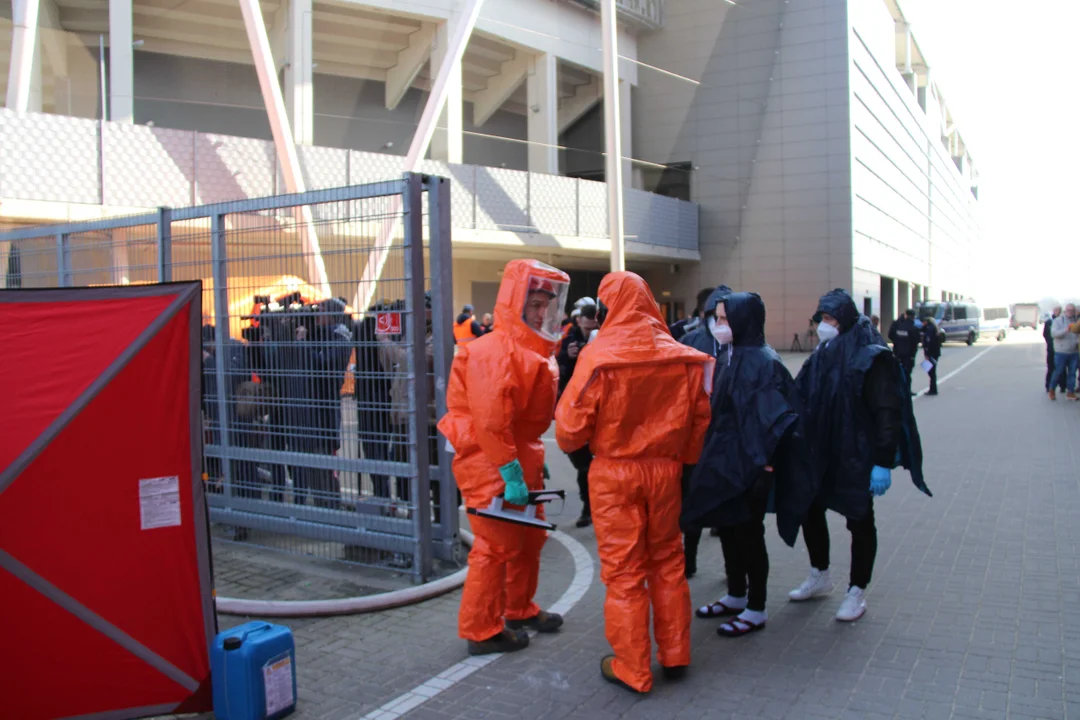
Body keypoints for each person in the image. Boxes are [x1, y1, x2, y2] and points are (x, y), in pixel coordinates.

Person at [556, 272, 712, 694]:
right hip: (665, 471)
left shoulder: (598, 356)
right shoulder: (681, 355)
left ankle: (632, 666)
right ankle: (675, 652)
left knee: (625, 573)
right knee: (668, 562)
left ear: (608, 308)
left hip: (615, 473)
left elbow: (569, 429)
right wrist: (683, 459)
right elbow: (700, 418)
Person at [437, 259, 570, 656]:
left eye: (546, 305)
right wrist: (510, 470)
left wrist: (525, 462)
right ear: (516, 303)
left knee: (529, 538)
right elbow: (491, 422)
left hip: (519, 453)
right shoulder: (493, 351)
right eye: (534, 305)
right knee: (493, 548)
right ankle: (481, 631)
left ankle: (518, 609)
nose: (542, 313)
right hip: (488, 458)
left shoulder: (530, 349)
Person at [789, 289, 930, 622]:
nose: (824, 325)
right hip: (821, 452)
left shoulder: (871, 357)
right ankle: (819, 573)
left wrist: (882, 461)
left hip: (856, 455)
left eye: (830, 319)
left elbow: (887, 411)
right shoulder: (823, 353)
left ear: (846, 319)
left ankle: (857, 591)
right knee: (810, 509)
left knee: (859, 519)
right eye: (821, 318)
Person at [682, 292, 816, 637]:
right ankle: (736, 595)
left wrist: (766, 468)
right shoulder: (733, 354)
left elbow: (777, 420)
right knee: (728, 530)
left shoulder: (761, 361)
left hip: (750, 469)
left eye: (725, 318)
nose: (719, 324)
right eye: (718, 317)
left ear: (743, 321)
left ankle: (756, 607)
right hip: (727, 464)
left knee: (748, 536)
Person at [675, 284, 725, 576]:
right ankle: (689, 559)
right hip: (698, 438)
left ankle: (734, 577)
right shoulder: (690, 342)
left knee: (720, 506)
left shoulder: (743, 345)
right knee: (692, 502)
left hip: (720, 438)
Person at [557, 301, 600, 527]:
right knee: (582, 462)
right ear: (579, 320)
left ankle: (593, 508)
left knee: (595, 465)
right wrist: (568, 357)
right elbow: (558, 371)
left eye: (595, 321)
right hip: (575, 408)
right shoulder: (568, 340)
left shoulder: (603, 338)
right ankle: (588, 505)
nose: (591, 325)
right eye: (588, 320)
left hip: (598, 410)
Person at [1049, 303, 1079, 401]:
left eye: (1072, 310)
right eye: (1069, 310)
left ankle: (1070, 392)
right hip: (1061, 352)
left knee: (1072, 373)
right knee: (1058, 371)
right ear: (1065, 311)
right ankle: (1052, 390)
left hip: (1073, 352)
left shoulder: (1076, 321)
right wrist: (1066, 330)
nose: (1070, 312)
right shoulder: (1058, 320)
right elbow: (1054, 334)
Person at [888, 309, 919, 397]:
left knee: (897, 372)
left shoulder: (897, 325)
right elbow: (915, 342)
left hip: (897, 353)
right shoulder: (913, 327)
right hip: (908, 355)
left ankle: (897, 390)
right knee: (907, 373)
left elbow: (890, 335)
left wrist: (897, 342)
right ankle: (907, 390)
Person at [1044, 306, 1064, 395]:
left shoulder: (1063, 321)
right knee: (1051, 367)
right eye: (1055, 310)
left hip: (1061, 349)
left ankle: (1063, 386)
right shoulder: (1049, 322)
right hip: (1051, 349)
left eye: (1058, 311)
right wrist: (1050, 343)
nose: (1057, 312)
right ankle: (1049, 386)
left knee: (1062, 368)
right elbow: (1045, 334)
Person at [921, 317, 943, 396]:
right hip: (935, 353)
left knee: (931, 372)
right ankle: (933, 388)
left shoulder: (930, 329)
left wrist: (927, 354)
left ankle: (933, 389)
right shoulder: (934, 328)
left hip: (931, 353)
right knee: (932, 371)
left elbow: (928, 342)